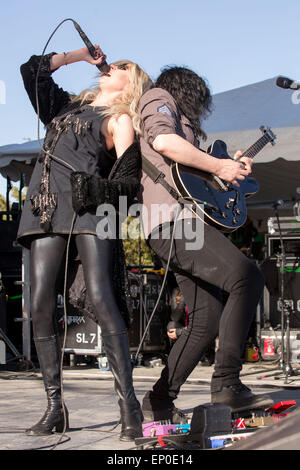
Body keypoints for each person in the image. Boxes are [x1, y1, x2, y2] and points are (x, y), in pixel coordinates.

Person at [17, 45, 152, 440]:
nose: (113, 67)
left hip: (90, 211)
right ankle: (55, 406)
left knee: (101, 297)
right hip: (44, 208)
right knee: (39, 304)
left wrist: (95, 187)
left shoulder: (120, 119)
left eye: (123, 67)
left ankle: (128, 403)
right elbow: (32, 70)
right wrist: (79, 55)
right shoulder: (64, 107)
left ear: (133, 84)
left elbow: (130, 185)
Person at [137, 66, 274, 422]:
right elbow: (163, 142)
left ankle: (159, 400)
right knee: (248, 277)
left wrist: (226, 170)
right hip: (174, 224)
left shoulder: (187, 129)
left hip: (182, 225)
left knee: (205, 318)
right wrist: (220, 166)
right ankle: (227, 383)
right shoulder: (159, 98)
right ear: (190, 90)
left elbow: (191, 178)